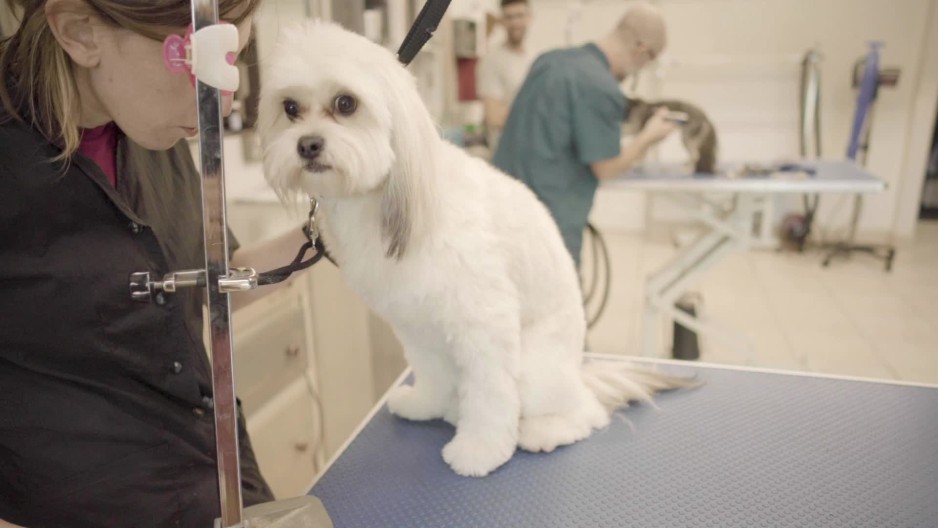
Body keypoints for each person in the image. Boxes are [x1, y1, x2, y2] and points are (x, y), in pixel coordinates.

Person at [0, 1, 312, 526]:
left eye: (234, 56)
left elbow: (212, 280)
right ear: (80, 32)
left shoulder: (150, 125)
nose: (223, 100)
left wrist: (331, 233)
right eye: (197, 59)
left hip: (222, 486)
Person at [492, 3, 677, 268]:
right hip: (549, 222)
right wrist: (648, 137)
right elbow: (606, 167)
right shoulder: (601, 86)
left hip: (502, 205)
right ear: (641, 50)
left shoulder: (548, 59)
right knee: (552, 293)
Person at [476, 0, 533, 152]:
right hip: (507, 153)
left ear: (529, 18)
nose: (515, 22)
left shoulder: (532, 58)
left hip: (530, 150)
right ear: (501, 21)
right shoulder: (492, 60)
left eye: (520, 15)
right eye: (509, 17)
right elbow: (494, 116)